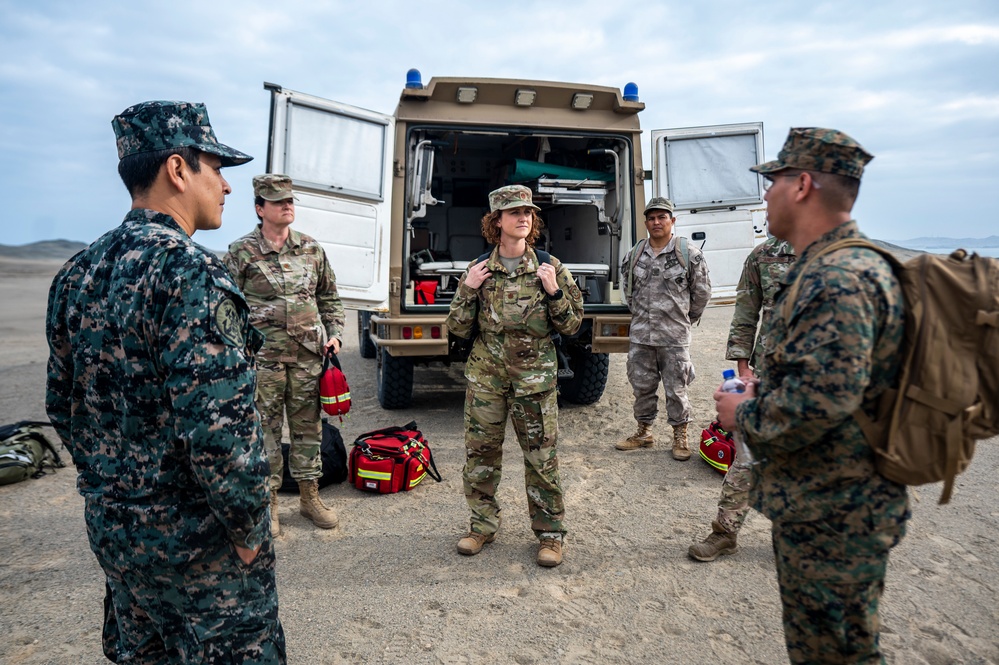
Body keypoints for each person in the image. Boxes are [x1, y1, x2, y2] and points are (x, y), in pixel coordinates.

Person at [45, 101, 285, 662]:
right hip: (200, 548)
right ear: (177, 170)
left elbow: (62, 404)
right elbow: (221, 432)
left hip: (118, 538)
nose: (226, 186)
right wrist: (249, 531)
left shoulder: (77, 273)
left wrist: (113, 493)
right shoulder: (190, 272)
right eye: (216, 168)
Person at [714, 127, 909, 664]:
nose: (765, 194)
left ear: (802, 185)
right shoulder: (831, 266)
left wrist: (744, 412)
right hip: (827, 502)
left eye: (772, 181)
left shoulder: (837, 278)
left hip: (836, 513)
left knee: (837, 652)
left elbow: (826, 399)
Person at [445, 184, 583, 567]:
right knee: (481, 457)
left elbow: (572, 326)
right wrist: (468, 290)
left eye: (528, 213)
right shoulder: (479, 270)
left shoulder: (549, 267)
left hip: (534, 382)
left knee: (542, 460)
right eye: (514, 212)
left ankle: (551, 536)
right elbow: (456, 328)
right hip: (486, 380)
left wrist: (554, 292)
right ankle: (481, 527)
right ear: (496, 222)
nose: (523, 217)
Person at [224, 174, 345, 534]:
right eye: (278, 202)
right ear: (260, 209)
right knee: (266, 431)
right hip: (264, 360)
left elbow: (329, 297)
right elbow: (226, 306)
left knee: (309, 429)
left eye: (290, 200)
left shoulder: (310, 248)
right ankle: (270, 503)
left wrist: (335, 334)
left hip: (309, 358)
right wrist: (237, 349)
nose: (287, 206)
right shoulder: (241, 252)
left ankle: (310, 498)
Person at [688, 235, 795, 562]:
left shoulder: (835, 252)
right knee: (748, 451)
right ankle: (725, 533)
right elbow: (746, 310)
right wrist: (742, 364)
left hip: (819, 377)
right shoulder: (763, 255)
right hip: (768, 370)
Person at [616, 197, 712, 460]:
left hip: (674, 338)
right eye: (651, 218)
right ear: (646, 222)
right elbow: (629, 293)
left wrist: (683, 320)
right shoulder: (634, 254)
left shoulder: (688, 254)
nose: (656, 222)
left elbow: (702, 294)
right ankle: (644, 432)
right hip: (641, 337)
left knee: (676, 388)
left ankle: (680, 436)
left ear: (672, 220)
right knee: (642, 387)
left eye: (662, 217)